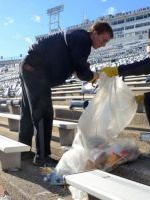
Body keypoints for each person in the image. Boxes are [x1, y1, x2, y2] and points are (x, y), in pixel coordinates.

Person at [19, 21, 113, 166]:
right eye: (104, 40)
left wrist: (89, 74)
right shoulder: (83, 39)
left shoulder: (77, 37)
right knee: (43, 112)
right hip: (35, 69)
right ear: (94, 33)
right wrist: (94, 76)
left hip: (29, 66)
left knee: (27, 110)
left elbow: (75, 68)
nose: (104, 45)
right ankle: (42, 156)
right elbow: (82, 71)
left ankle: (23, 150)